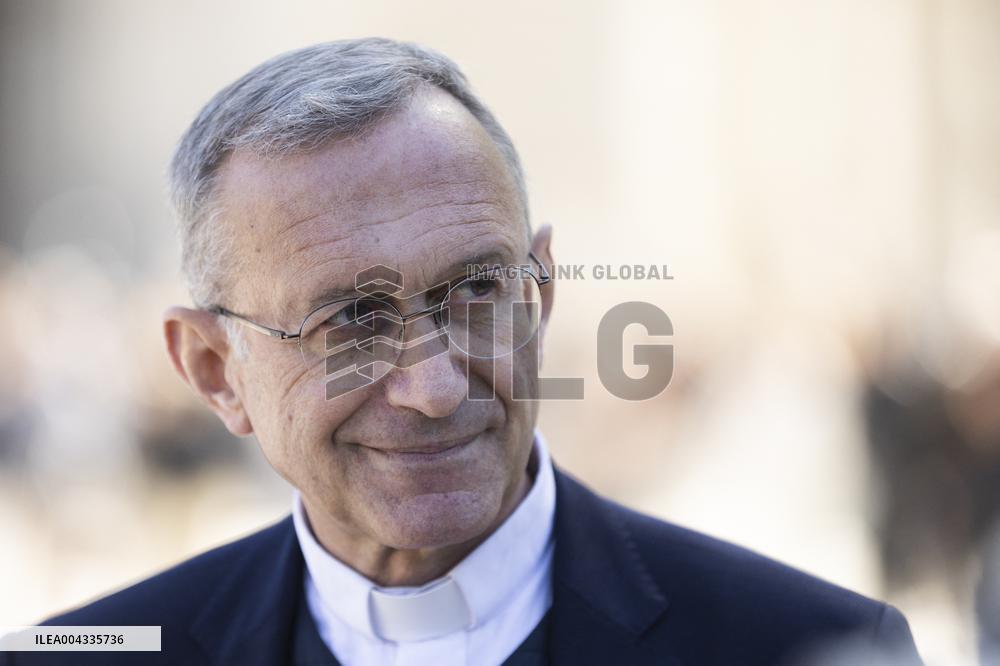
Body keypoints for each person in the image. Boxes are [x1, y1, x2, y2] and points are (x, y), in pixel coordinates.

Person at [9, 38, 923, 665]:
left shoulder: (802, 646)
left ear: (544, 290)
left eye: (477, 293)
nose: (436, 387)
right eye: (351, 325)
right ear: (215, 370)